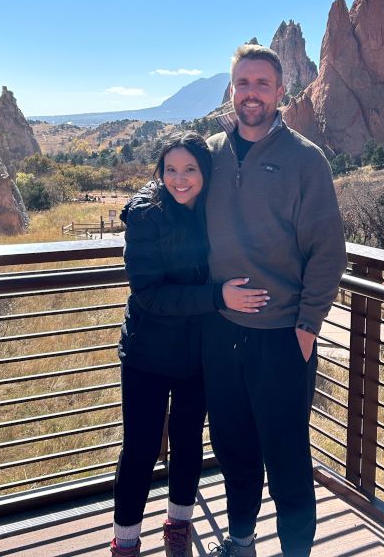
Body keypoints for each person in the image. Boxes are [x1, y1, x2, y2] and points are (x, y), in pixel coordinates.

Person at [203, 44, 347, 557]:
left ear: (281, 92)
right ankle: (240, 541)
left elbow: (328, 251)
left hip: (283, 340)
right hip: (221, 336)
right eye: (243, 83)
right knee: (234, 450)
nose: (251, 93)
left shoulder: (305, 160)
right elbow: (172, 196)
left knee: (287, 459)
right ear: (232, 89)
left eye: (262, 84)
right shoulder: (212, 153)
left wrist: (307, 326)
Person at [111, 132, 269, 557]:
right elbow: (149, 293)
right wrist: (219, 297)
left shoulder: (211, 210)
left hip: (198, 354)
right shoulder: (146, 215)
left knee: (187, 441)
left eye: (190, 170)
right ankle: (124, 543)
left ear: (205, 172)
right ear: (160, 173)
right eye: (170, 170)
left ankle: (178, 528)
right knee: (141, 447)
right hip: (147, 352)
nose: (179, 180)